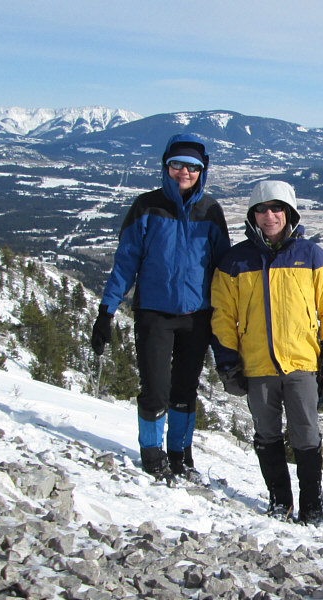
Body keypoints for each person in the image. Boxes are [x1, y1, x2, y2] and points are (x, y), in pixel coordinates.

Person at [90, 133, 230, 483]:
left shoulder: (210, 211)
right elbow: (125, 262)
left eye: (192, 167)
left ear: (203, 171)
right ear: (166, 166)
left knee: (184, 390)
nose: (184, 172)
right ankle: (152, 455)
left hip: (197, 316)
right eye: (177, 164)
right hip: (154, 314)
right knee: (155, 388)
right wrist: (107, 311)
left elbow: (223, 269)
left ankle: (180, 455)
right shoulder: (146, 206)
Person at [210, 179, 323, 524]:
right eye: (262, 210)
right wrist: (227, 361)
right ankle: (279, 503)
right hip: (257, 364)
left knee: (306, 434)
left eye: (277, 209)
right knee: (267, 434)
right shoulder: (235, 261)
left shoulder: (312, 256)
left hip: (301, 361)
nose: (269, 216)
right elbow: (222, 316)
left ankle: (313, 507)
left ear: (290, 213)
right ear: (252, 216)